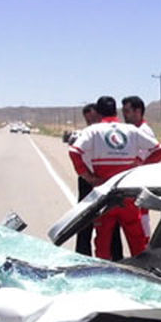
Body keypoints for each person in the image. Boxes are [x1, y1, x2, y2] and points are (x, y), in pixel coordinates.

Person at [68, 96, 161, 260]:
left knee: (103, 244)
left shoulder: (93, 131)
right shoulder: (131, 130)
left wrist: (89, 177)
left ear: (98, 112)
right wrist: (139, 168)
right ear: (116, 111)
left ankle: (105, 276)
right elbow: (159, 150)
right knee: (137, 242)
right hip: (128, 196)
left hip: (105, 196)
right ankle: (143, 274)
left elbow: (74, 151)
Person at [122, 96, 157, 239]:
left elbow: (150, 154)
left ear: (138, 111)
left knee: (141, 218)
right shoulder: (134, 131)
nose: (124, 115)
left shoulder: (143, 131)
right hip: (137, 180)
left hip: (141, 181)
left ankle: (145, 248)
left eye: (127, 111)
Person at [73, 103, 102, 255]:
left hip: (104, 179)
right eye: (88, 121)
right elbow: (75, 152)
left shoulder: (105, 134)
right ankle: (82, 255)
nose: (90, 124)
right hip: (88, 180)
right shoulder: (86, 134)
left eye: (93, 119)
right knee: (84, 221)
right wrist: (87, 177)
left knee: (108, 221)